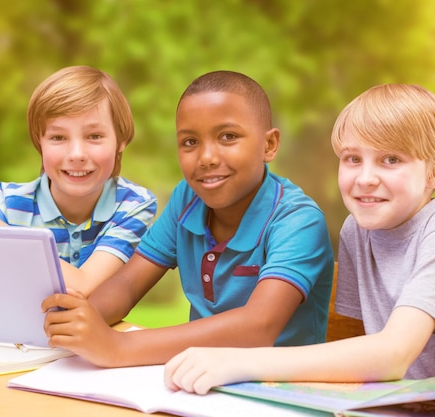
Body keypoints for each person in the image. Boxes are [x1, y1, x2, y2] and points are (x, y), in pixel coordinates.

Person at [163, 83, 435, 397]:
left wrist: (237, 360)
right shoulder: (358, 229)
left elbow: (390, 354)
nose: (365, 178)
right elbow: (360, 345)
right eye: (352, 158)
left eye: (390, 160)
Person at [40, 70, 334, 367]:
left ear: (269, 145)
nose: (206, 157)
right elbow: (128, 284)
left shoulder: (298, 220)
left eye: (227, 136)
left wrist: (118, 346)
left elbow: (257, 327)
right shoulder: (188, 199)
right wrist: (77, 323)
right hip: (197, 381)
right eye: (190, 142)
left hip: (277, 390)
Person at [0, 65, 157, 331]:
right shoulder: (9, 201)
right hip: (18, 345)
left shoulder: (133, 204)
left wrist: (3, 237)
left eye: (94, 136)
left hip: (90, 350)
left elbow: (85, 286)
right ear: (40, 143)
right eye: (58, 137)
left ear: (120, 141)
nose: (76, 153)